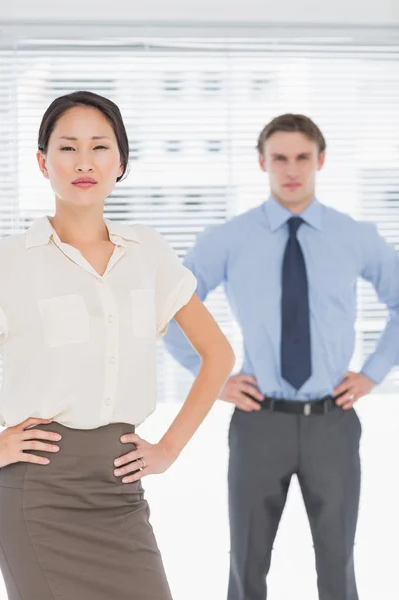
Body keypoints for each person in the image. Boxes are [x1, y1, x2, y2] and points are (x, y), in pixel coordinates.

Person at [0, 90, 235, 600]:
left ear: (121, 161)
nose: (84, 161)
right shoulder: (10, 263)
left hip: (119, 490)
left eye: (100, 147)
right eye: (67, 148)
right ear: (43, 162)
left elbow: (218, 356)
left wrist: (169, 449)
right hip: (36, 494)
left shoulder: (148, 251)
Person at [164, 113, 399, 600]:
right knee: (246, 566)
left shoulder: (355, 236)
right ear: (262, 162)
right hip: (259, 422)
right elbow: (169, 310)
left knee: (339, 566)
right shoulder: (227, 239)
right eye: (279, 158)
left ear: (320, 160)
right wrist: (213, 377)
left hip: (333, 423)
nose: (291, 169)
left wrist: (373, 374)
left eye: (302, 158)